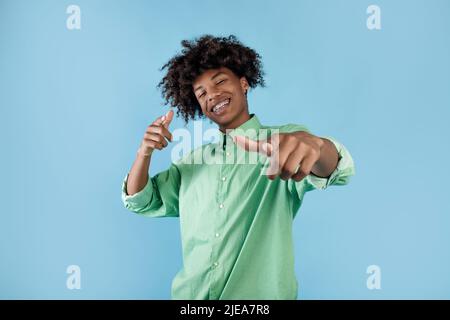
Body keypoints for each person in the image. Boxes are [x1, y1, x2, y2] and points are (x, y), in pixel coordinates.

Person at [121, 35, 355, 299]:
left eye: (220, 81)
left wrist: (316, 145)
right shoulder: (189, 163)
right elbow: (141, 200)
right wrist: (144, 152)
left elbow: (334, 167)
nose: (213, 95)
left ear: (243, 83)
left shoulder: (284, 141)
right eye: (202, 94)